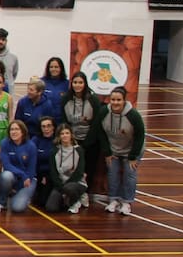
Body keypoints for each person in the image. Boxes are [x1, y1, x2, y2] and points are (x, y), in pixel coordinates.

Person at [95, 87, 145, 216]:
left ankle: (127, 202)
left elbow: (140, 136)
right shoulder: (103, 113)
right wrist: (107, 151)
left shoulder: (133, 115)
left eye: (118, 100)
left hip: (132, 149)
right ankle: (113, 200)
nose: (115, 103)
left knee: (129, 173)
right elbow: (100, 132)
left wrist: (133, 156)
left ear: (124, 101)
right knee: (112, 173)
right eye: (113, 99)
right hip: (114, 149)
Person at [61, 71, 102, 209]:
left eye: (80, 82)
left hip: (90, 142)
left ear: (85, 84)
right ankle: (74, 195)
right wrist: (71, 140)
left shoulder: (93, 100)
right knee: (73, 170)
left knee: (87, 170)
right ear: (71, 84)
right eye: (75, 82)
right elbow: (64, 121)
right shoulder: (65, 99)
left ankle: (84, 194)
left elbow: (96, 122)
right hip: (72, 140)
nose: (77, 85)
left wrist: (87, 142)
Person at [0, 121, 37, 214]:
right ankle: (1, 202)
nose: (14, 132)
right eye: (11, 129)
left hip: (28, 179)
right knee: (5, 175)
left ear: (23, 132)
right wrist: (22, 174)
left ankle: (19, 195)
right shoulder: (4, 143)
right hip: (14, 176)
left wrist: (25, 179)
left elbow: (31, 169)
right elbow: (6, 165)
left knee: (17, 208)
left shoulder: (31, 146)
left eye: (16, 129)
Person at [48, 123, 87, 214]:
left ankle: (77, 200)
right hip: (61, 184)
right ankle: (67, 199)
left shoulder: (79, 150)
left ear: (71, 135)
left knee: (69, 188)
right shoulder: (54, 151)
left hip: (76, 183)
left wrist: (65, 187)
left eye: (67, 133)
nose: (65, 136)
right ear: (59, 136)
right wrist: (61, 187)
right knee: (51, 208)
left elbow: (79, 172)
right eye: (62, 134)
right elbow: (53, 172)